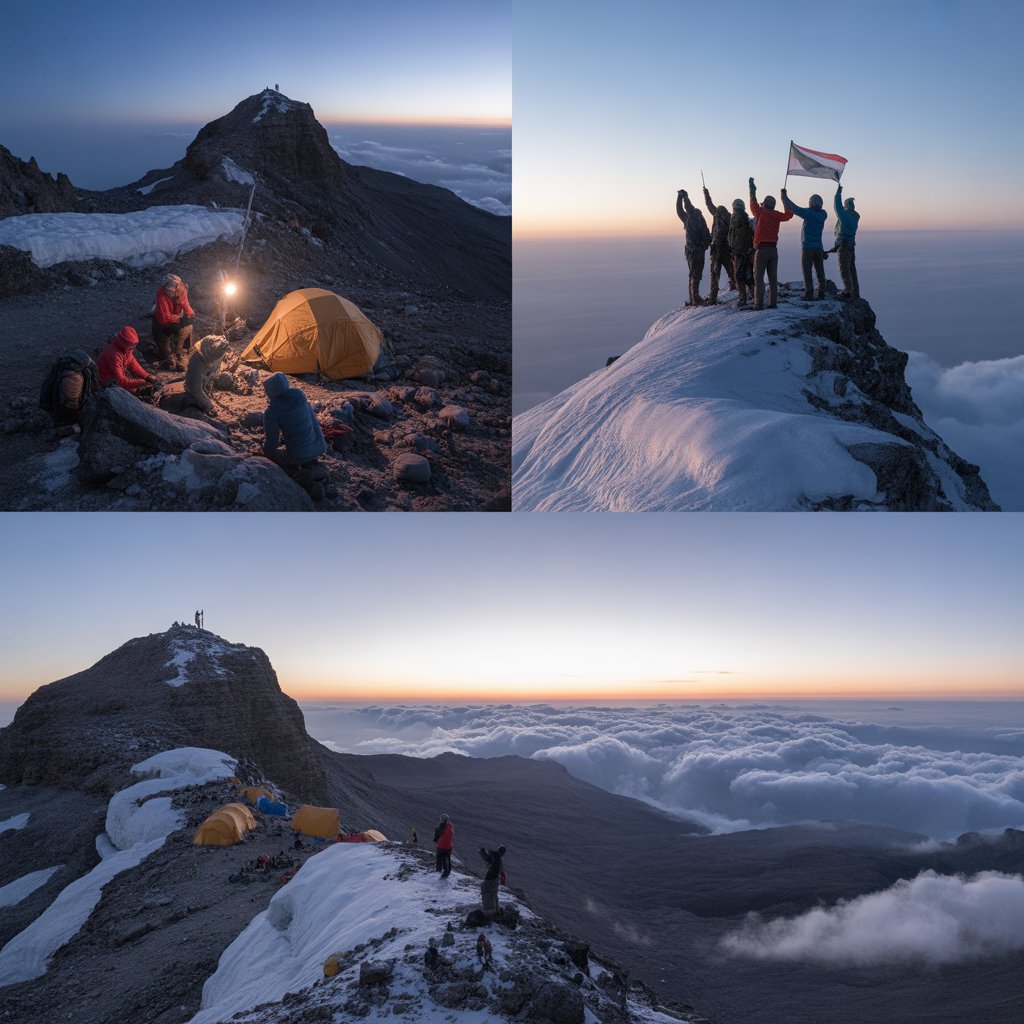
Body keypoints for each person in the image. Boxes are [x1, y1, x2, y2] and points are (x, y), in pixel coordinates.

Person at [262, 372, 328, 467]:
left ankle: (298, 473)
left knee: (271, 454)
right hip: (319, 447)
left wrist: (264, 451)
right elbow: (314, 421)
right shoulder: (299, 395)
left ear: (270, 391)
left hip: (298, 456)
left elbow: (272, 443)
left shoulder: (272, 412)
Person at [748, 177, 794, 310]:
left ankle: (758, 304)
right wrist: (784, 198)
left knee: (759, 279)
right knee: (773, 279)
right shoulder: (777, 215)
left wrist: (751, 187)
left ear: (765, 204)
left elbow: (753, 202)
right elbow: (789, 215)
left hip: (761, 250)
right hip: (773, 251)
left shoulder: (760, 212)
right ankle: (772, 303)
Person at [781, 190, 828, 300]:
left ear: (811, 203)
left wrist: (784, 196)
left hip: (807, 248)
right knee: (820, 272)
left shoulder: (808, 213)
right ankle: (821, 293)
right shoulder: (823, 215)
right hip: (819, 247)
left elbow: (793, 208)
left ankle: (809, 294)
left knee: (807, 272)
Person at [39, 349, 100, 427]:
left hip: (60, 410)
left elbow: (47, 387)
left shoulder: (61, 366)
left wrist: (46, 406)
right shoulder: (89, 368)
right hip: (79, 412)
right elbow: (95, 389)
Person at [97, 326, 159, 395]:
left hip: (116, 376)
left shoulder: (126, 350)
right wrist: (142, 382)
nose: (133, 347)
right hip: (107, 381)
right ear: (125, 343)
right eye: (132, 345)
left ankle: (138, 392)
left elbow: (135, 366)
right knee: (130, 394)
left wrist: (147, 376)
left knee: (134, 387)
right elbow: (121, 381)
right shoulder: (114, 354)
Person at [675, 189, 712, 306]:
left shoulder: (687, 219)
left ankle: (693, 297)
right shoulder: (699, 219)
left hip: (689, 251)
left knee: (692, 273)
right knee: (696, 274)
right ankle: (695, 298)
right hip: (697, 250)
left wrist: (679, 198)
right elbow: (707, 236)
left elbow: (680, 210)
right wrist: (706, 245)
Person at [153, 273, 196, 370]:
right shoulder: (161, 295)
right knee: (166, 355)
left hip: (174, 318)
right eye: (167, 289)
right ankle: (169, 353)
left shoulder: (182, 290)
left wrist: (189, 314)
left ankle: (179, 351)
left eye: (170, 288)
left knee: (188, 327)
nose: (168, 291)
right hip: (162, 324)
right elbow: (163, 318)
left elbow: (185, 304)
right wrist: (178, 319)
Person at [702, 187, 736, 303]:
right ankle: (734, 287)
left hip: (717, 249)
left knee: (715, 273)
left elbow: (709, 204)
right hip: (726, 249)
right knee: (731, 270)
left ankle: (713, 297)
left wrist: (706, 193)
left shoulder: (716, 215)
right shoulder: (730, 218)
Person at [184, 335, 230, 417]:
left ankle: (206, 392)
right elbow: (195, 389)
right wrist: (208, 405)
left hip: (206, 382)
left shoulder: (220, 351)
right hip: (192, 389)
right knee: (191, 402)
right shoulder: (196, 362)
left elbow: (214, 371)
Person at [833, 185, 861, 298]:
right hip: (850, 247)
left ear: (846, 206)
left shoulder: (845, 217)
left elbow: (837, 206)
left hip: (844, 247)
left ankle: (848, 291)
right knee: (852, 271)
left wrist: (838, 192)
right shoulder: (855, 217)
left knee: (844, 270)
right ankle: (855, 293)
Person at [728, 198, 755, 307]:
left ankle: (742, 299)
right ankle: (753, 293)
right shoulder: (747, 219)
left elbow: (730, 237)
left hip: (738, 252)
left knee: (739, 276)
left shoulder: (733, 218)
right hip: (748, 251)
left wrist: (731, 249)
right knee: (748, 273)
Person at [479, 845, 506, 918]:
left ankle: (489, 915)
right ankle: (496, 911)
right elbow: (488, 859)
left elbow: (487, 858)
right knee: (493, 895)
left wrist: (483, 852)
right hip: (495, 879)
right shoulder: (497, 859)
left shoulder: (495, 858)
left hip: (490, 879)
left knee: (487, 895)